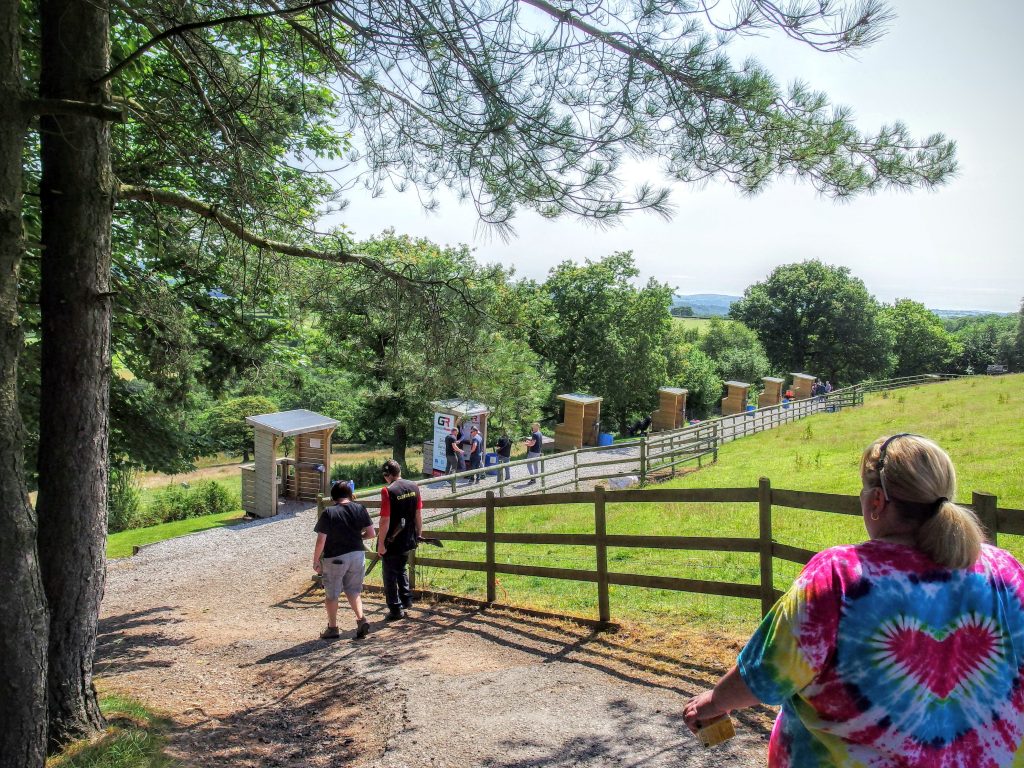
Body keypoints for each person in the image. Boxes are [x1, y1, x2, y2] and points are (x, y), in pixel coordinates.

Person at [682, 434, 1024, 766]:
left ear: (877, 501)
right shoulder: (1005, 571)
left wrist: (713, 703)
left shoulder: (841, 575)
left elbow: (767, 672)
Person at [312, 481, 376, 640]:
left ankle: (333, 628)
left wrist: (316, 560)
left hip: (335, 557)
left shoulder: (329, 512)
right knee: (354, 590)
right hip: (357, 554)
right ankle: (361, 620)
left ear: (333, 497)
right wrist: (357, 537)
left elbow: (321, 539)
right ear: (350, 495)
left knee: (332, 594)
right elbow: (371, 533)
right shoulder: (360, 508)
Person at [377, 459, 422, 620]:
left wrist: (381, 543)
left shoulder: (388, 491)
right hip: (408, 536)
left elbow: (385, 520)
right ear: (400, 471)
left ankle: (395, 609)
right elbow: (418, 514)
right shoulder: (414, 486)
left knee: (389, 574)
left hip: (392, 539)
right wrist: (418, 533)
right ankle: (406, 599)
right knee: (401, 568)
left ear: (387, 475)